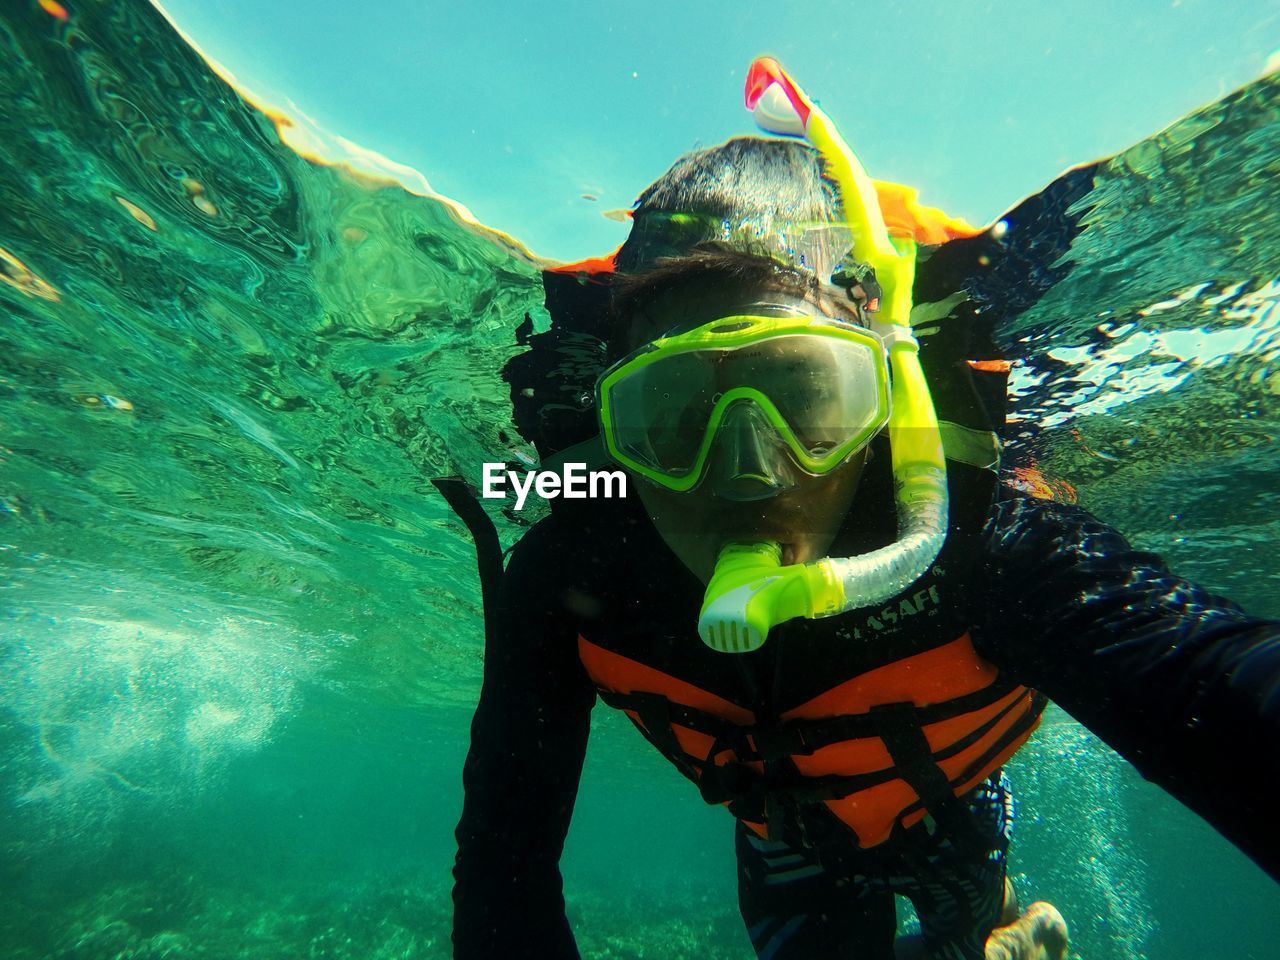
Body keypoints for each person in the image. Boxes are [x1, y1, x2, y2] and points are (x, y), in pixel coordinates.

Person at [450, 60, 1280, 960]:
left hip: (948, 818)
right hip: (786, 846)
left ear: (883, 400)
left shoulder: (978, 543)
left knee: (967, 929)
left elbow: (1214, 676)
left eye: (808, 398)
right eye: (674, 414)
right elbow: (506, 862)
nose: (745, 476)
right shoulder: (570, 569)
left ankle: (1000, 928)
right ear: (615, 431)